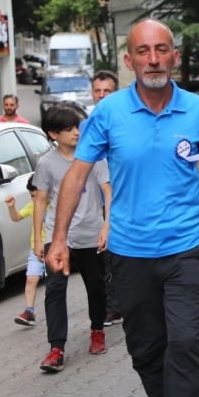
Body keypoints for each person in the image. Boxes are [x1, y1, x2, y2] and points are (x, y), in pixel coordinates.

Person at [45, 19, 199, 397]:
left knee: (185, 344)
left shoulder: (197, 109)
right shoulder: (109, 112)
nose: (153, 59)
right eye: (144, 51)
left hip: (186, 250)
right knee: (147, 350)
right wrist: (59, 238)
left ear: (175, 57)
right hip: (129, 254)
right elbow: (77, 175)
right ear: (129, 59)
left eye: (161, 50)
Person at [33, 106, 111, 373]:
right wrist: (37, 238)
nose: (76, 132)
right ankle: (56, 347)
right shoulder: (46, 163)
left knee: (97, 287)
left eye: (77, 127)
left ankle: (97, 329)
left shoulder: (94, 157)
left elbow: (107, 191)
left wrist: (107, 225)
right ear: (53, 134)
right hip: (58, 237)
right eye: (68, 129)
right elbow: (41, 201)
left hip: (91, 233)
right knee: (54, 290)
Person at [81, 70, 123, 327]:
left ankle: (117, 305)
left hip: (124, 198)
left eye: (107, 91)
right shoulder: (85, 127)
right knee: (103, 257)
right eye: (97, 90)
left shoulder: (126, 121)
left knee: (120, 256)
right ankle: (110, 307)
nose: (101, 95)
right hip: (97, 205)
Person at [5, 175, 46, 326]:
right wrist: (11, 207)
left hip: (53, 249)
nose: (34, 200)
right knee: (31, 279)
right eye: (31, 196)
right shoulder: (32, 206)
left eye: (36, 196)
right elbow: (16, 217)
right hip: (36, 251)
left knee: (56, 284)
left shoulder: (56, 205)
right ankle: (29, 312)